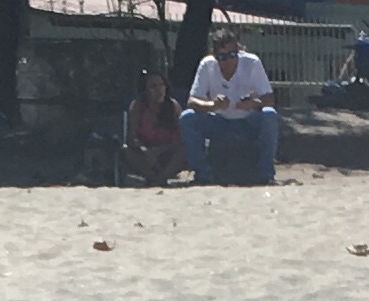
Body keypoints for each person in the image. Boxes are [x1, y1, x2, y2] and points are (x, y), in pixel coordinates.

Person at [186, 24, 277, 180]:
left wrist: (252, 103)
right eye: (222, 57)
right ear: (214, 56)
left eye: (232, 55)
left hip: (247, 121)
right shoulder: (206, 65)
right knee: (188, 118)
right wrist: (212, 105)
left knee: (269, 115)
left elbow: (269, 98)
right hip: (219, 120)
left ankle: (266, 173)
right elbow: (192, 101)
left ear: (239, 50)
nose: (228, 61)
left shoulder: (252, 63)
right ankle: (202, 173)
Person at [117, 62, 183, 183]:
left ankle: (162, 178)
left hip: (167, 153)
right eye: (153, 86)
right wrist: (145, 151)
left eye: (162, 85)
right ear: (145, 90)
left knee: (184, 151)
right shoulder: (138, 107)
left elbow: (180, 138)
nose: (159, 90)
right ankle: (153, 177)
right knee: (126, 151)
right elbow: (131, 137)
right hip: (145, 155)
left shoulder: (173, 106)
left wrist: (159, 150)